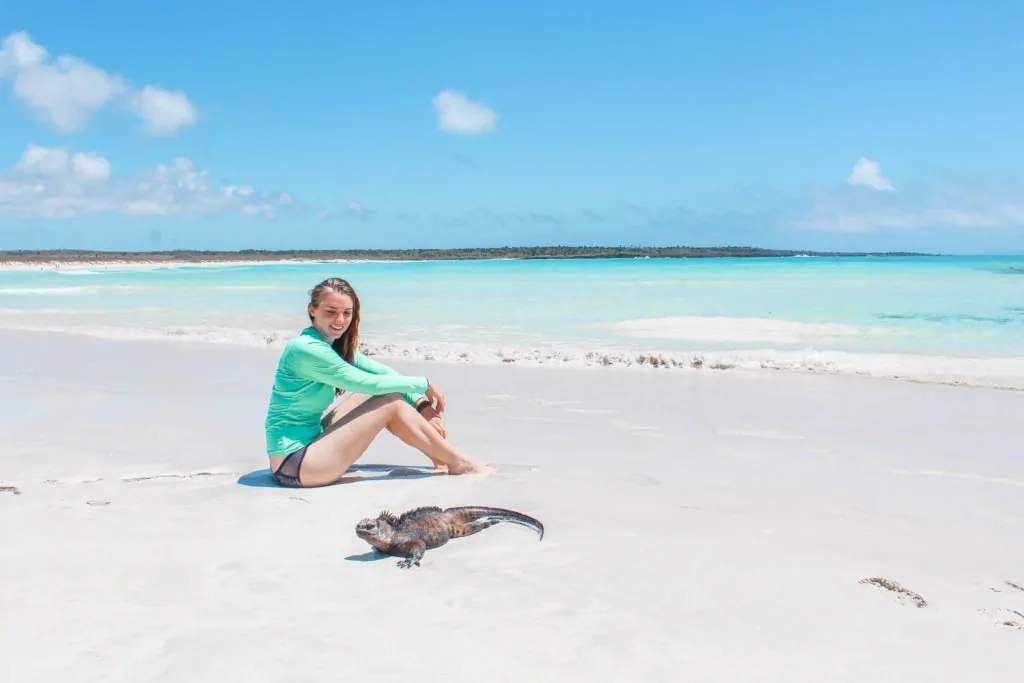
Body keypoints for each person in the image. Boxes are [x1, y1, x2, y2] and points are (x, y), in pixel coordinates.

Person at [263, 277, 491, 487]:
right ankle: (460, 463)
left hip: (309, 447)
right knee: (389, 399)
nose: (340, 320)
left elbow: (383, 374)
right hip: (294, 466)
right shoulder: (305, 349)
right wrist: (424, 383)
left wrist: (422, 405)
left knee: (385, 393)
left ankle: (441, 458)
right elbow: (368, 383)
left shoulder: (330, 346)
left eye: (346, 313)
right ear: (313, 310)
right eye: (331, 311)